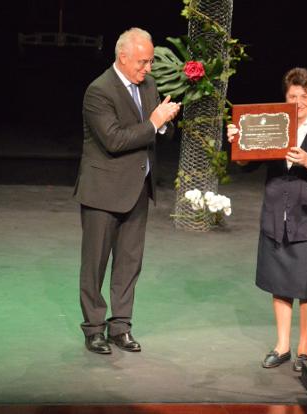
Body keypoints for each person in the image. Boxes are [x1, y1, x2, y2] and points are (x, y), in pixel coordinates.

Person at [227, 67, 307, 371]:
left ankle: (304, 347)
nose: (298, 101)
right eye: (292, 96)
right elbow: (244, 163)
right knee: (280, 280)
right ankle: (282, 346)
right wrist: (237, 142)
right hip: (277, 210)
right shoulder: (277, 122)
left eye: (303, 96)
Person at [74, 27, 181, 354]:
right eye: (142, 61)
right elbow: (114, 139)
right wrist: (154, 122)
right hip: (103, 192)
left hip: (137, 188)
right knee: (95, 264)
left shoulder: (147, 84)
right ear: (123, 57)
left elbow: (162, 127)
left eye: (149, 61)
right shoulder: (99, 91)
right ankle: (94, 329)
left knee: (129, 263)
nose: (148, 68)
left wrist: (163, 121)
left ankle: (121, 326)